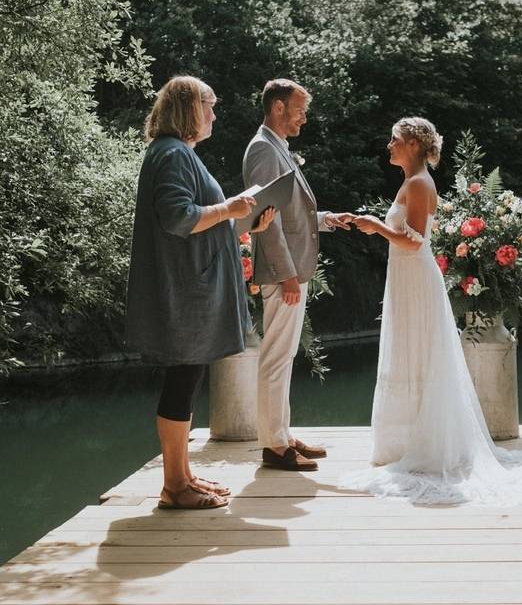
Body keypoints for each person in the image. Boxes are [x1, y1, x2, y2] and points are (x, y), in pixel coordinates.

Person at [345, 117, 522, 504]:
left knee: (420, 352)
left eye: (394, 140)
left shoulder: (421, 183)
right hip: (405, 278)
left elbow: (415, 242)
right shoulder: (412, 182)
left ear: (412, 143)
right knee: (408, 352)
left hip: (415, 275)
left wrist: (376, 226)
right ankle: (403, 441)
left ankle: (425, 443)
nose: (388, 145)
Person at [126, 75, 274, 509]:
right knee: (182, 380)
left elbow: (198, 217)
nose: (214, 113)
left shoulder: (178, 153)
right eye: (209, 104)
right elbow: (178, 218)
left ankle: (184, 475)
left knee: (186, 380)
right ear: (188, 107)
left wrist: (240, 222)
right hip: (184, 291)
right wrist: (230, 208)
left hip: (189, 287)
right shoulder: (172, 154)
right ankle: (174, 486)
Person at [241, 79, 356, 471]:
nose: (304, 117)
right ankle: (273, 447)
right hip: (282, 271)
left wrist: (326, 219)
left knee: (285, 354)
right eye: (299, 109)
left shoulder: (277, 147)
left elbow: (294, 214)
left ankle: (282, 434)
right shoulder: (262, 148)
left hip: (290, 268)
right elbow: (266, 218)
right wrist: (288, 274)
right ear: (277, 106)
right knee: (276, 356)